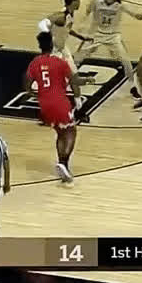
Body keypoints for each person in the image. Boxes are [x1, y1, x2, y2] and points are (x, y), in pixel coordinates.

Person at [25, 32, 82, 184]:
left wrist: (36, 94)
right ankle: (63, 162)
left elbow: (27, 84)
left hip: (44, 105)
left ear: (40, 46)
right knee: (71, 131)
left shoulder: (35, 63)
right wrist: (78, 97)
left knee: (60, 132)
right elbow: (74, 81)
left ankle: (63, 165)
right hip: (60, 102)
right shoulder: (59, 62)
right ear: (52, 45)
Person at [74, 0, 142, 99]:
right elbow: (87, 12)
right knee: (78, 57)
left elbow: (135, 15)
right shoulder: (96, 1)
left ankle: (132, 87)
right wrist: (82, 26)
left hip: (113, 36)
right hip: (97, 34)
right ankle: (69, 79)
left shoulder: (120, 4)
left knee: (126, 61)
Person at [38, 0, 92, 81]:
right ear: (74, 1)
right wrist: (47, 41)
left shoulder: (70, 14)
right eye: (79, 0)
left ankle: (75, 88)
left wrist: (80, 37)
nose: (80, 2)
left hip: (62, 48)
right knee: (54, 77)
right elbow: (42, 24)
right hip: (54, 50)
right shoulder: (61, 15)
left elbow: (67, 29)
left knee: (74, 73)